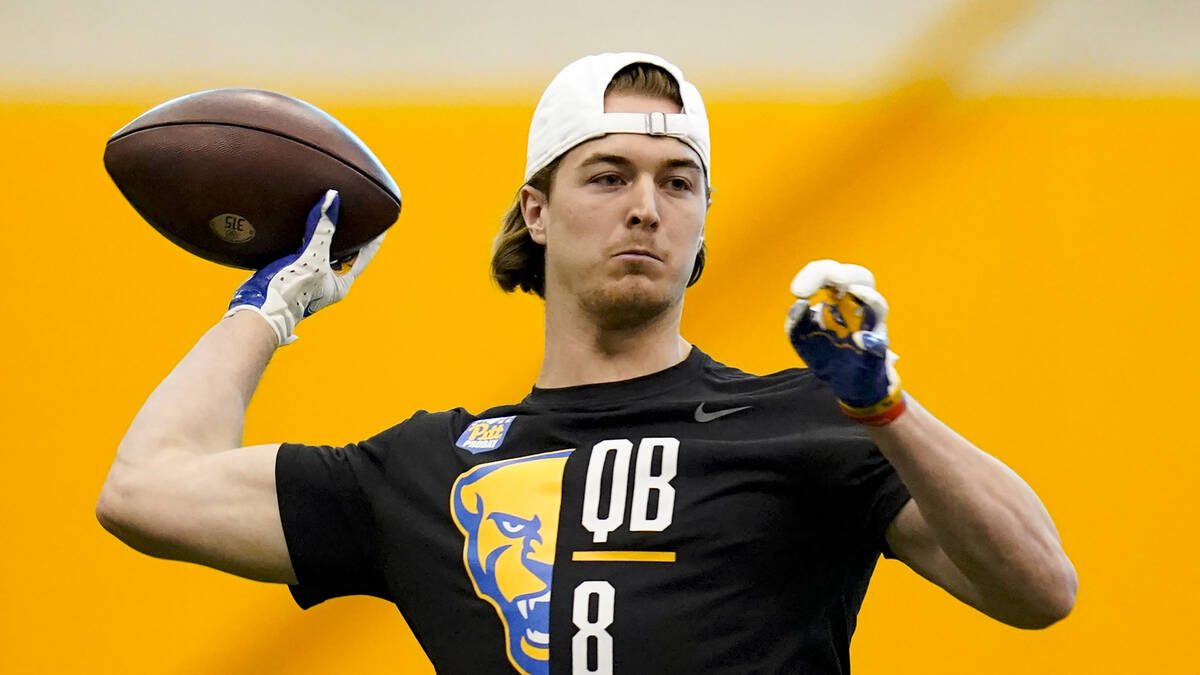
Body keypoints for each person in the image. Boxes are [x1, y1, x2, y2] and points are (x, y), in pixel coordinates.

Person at [97, 52, 1077, 675]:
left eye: (677, 181)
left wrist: (887, 408)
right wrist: (269, 305)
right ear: (537, 212)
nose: (645, 207)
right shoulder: (428, 473)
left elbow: (1039, 589)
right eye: (608, 176)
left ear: (701, 223)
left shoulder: (808, 421)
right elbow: (146, 489)